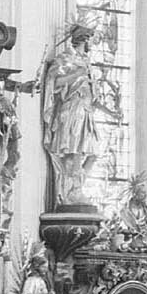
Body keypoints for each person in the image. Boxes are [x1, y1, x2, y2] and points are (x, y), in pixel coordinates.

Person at [42, 23, 102, 205]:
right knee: (74, 152)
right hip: (71, 111)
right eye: (91, 40)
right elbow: (54, 82)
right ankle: (72, 192)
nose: (92, 44)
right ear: (84, 39)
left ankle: (77, 188)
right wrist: (78, 74)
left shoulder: (86, 62)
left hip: (86, 112)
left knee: (93, 153)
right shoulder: (65, 58)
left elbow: (93, 94)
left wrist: (112, 113)